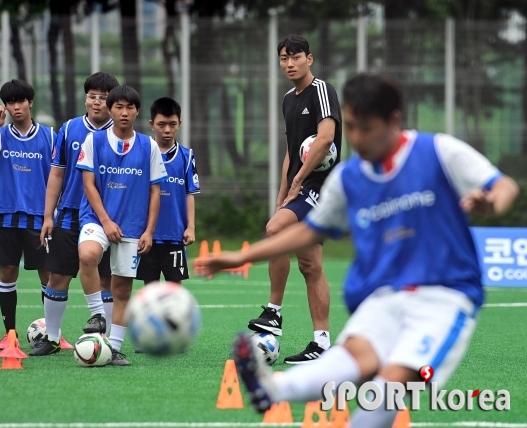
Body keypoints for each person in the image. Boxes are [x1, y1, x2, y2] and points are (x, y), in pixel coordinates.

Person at [197, 73, 520, 427]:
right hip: (383, 299)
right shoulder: (349, 178)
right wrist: (242, 256)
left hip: (443, 298)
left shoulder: (438, 151)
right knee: (351, 358)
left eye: (365, 128)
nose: (355, 138)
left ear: (393, 120)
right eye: (350, 127)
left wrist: (490, 203)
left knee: (390, 386)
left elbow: (503, 185)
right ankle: (272, 388)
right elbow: (306, 232)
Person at [247, 34, 342, 364]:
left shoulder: (322, 91)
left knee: (275, 231)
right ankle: (322, 344)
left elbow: (326, 136)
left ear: (309, 58)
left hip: (322, 188)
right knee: (310, 265)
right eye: (284, 58)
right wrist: (282, 194)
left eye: (295, 57)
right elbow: (292, 153)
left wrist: (299, 181)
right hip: (300, 189)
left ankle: (273, 312)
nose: (289, 63)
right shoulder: (289, 99)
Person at [76, 85, 167, 366]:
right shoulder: (94, 141)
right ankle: (97, 314)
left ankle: (113, 348)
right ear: (110, 109)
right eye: (118, 107)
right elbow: (88, 184)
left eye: (130, 107)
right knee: (87, 255)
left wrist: (149, 230)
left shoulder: (149, 146)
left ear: (137, 111)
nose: (124, 112)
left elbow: (155, 191)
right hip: (98, 220)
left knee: (122, 290)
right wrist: (105, 220)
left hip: (133, 226)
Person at [32, 72, 119, 356]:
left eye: (103, 98)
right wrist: (48, 216)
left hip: (104, 217)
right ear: (85, 98)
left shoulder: (119, 133)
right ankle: (52, 337)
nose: (97, 102)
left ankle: (104, 340)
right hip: (69, 215)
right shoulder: (69, 129)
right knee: (57, 277)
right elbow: (56, 174)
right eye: (92, 96)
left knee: (106, 279)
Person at [0, 79, 52, 344]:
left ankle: (52, 333)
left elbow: (58, 175)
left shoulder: (49, 135)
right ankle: (9, 334)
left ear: (30, 102)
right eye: (10, 102)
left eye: (20, 101)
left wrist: (51, 214)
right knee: (7, 273)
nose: (16, 106)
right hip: (7, 216)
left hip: (39, 218)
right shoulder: (0, 135)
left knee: (46, 274)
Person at [136, 97, 199, 285]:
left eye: (172, 124)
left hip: (175, 234)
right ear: (151, 124)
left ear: (179, 123)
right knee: (150, 288)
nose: (167, 130)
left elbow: (189, 193)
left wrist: (191, 226)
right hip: (147, 235)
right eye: (161, 124)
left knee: (175, 288)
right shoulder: (142, 153)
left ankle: (172, 317)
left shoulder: (186, 156)